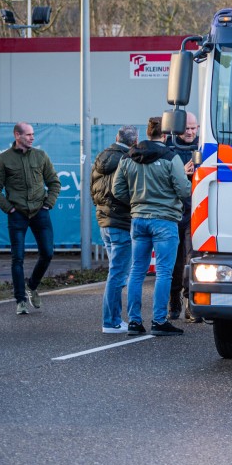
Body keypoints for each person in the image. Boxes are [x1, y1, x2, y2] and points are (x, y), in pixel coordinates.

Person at [112, 117, 192, 336]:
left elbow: (117, 190)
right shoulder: (170, 157)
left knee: (136, 271)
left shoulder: (129, 157)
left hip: (138, 220)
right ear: (165, 135)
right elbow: (184, 190)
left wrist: (137, 201)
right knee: (164, 272)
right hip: (164, 220)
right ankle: (159, 321)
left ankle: (135, 322)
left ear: (146, 133)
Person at [0, 122, 60, 315]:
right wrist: (9, 209)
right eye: (28, 134)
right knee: (17, 258)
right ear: (17, 135)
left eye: (33, 134)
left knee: (48, 252)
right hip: (17, 214)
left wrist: (48, 203)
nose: (32, 137)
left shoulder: (40, 156)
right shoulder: (3, 159)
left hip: (40, 212)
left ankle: (32, 285)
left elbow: (54, 182)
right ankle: (20, 301)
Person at [92, 125, 139, 333]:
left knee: (116, 272)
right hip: (121, 221)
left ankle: (114, 319)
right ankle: (110, 321)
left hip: (104, 221)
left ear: (116, 138)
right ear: (134, 142)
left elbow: (94, 190)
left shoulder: (101, 157)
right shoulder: (128, 160)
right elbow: (126, 191)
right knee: (118, 274)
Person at [168, 116, 201, 323]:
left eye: (193, 128)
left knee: (192, 259)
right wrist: (182, 173)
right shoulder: (168, 150)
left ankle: (190, 304)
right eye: (187, 128)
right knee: (173, 261)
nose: (190, 132)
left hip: (195, 213)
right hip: (173, 212)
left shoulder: (204, 148)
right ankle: (174, 303)